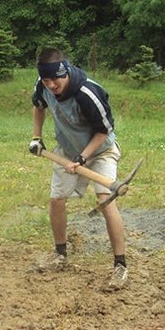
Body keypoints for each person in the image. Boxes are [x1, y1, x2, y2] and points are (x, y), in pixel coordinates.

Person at [29, 47, 128, 290]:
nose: (52, 85)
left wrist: (83, 159)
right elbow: (38, 106)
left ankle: (120, 265)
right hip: (67, 148)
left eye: (55, 79)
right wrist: (36, 137)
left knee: (106, 198)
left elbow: (103, 131)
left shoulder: (88, 93)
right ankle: (60, 254)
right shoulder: (43, 86)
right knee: (56, 200)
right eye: (46, 80)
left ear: (66, 71)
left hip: (101, 149)